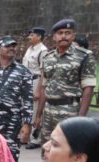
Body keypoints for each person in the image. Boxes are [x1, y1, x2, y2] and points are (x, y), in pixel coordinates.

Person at [34, 19, 96, 150]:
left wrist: (81, 118)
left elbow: (88, 88)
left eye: (68, 33)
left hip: (70, 110)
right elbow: (44, 87)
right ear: (54, 37)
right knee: (47, 150)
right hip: (49, 110)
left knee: (67, 149)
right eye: (60, 33)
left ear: (73, 36)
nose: (64, 36)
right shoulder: (48, 57)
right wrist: (38, 115)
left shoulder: (84, 56)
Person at [23, 27, 49, 149]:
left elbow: (43, 72)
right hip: (27, 80)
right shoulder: (30, 49)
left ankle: (35, 138)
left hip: (36, 80)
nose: (29, 37)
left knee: (35, 109)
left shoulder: (43, 50)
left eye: (32, 35)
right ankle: (25, 135)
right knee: (26, 108)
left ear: (39, 37)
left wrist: (39, 89)